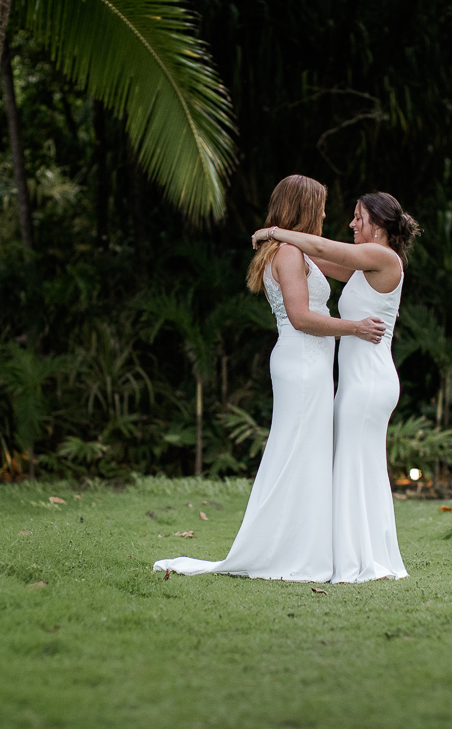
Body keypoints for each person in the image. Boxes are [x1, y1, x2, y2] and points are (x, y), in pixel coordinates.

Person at [153, 175, 385, 581]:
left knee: (306, 451)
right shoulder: (289, 255)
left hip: (307, 364)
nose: (328, 214)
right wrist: (355, 327)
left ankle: (306, 547)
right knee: (300, 450)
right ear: (305, 208)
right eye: (322, 206)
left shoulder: (295, 250)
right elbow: (299, 317)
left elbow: (351, 269)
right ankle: (290, 551)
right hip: (302, 363)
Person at [251, 192, 420, 582]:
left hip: (369, 382)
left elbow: (322, 247)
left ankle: (363, 561)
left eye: (359, 218)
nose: (352, 224)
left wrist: (276, 230)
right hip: (357, 382)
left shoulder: (383, 259)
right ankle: (358, 556)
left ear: (378, 224)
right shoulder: (364, 269)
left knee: (356, 467)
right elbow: (318, 259)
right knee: (353, 466)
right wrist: (282, 245)